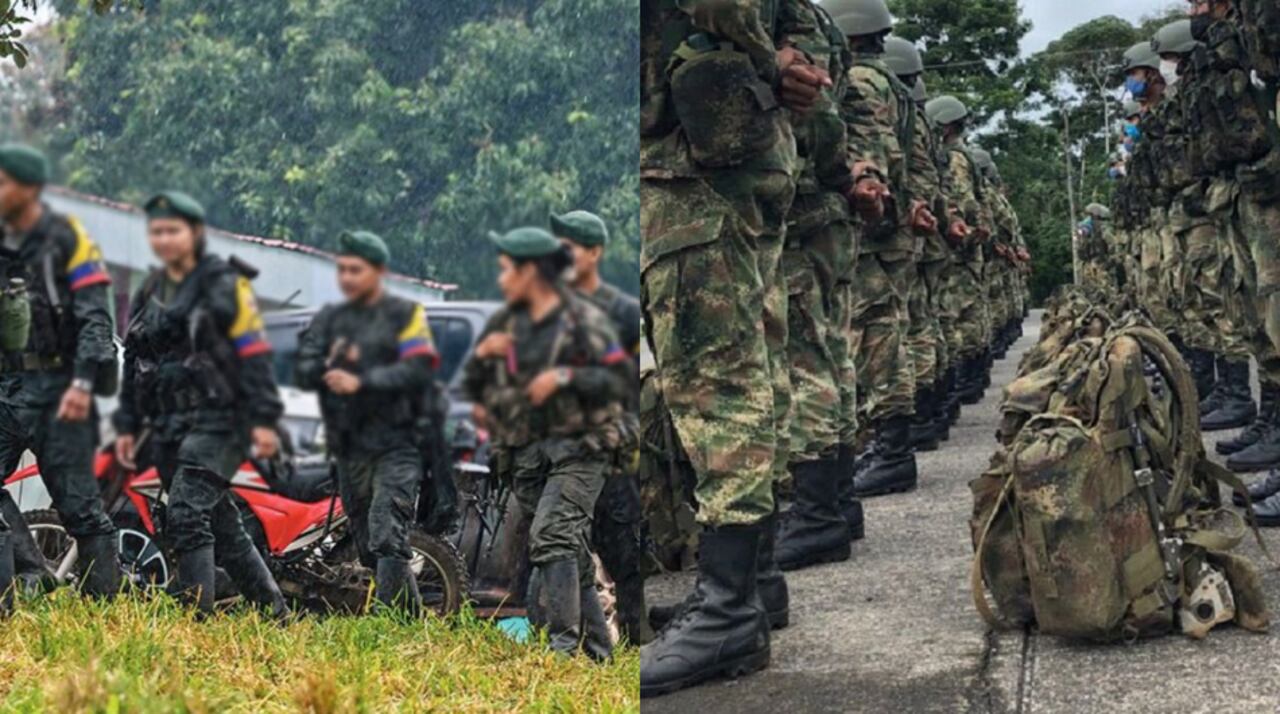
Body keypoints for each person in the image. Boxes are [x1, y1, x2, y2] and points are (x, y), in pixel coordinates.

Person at [638, 0, 833, 696]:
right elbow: (808, 27)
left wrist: (761, 55)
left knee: (712, 380)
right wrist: (786, 62)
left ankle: (727, 612)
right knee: (751, 366)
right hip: (731, 147)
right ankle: (753, 585)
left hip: (696, 166)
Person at [113, 190, 285, 616]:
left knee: (187, 513)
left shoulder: (224, 285)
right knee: (222, 523)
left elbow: (253, 353)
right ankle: (274, 610)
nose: (164, 239)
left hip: (221, 418)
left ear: (194, 233)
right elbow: (134, 358)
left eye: (173, 230)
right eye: (157, 232)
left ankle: (194, 617)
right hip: (170, 421)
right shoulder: (150, 288)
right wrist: (127, 424)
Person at [462, 226, 629, 660]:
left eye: (508, 271)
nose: (501, 281)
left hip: (579, 449)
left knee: (553, 537)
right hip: (531, 456)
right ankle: (598, 652)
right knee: (569, 550)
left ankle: (563, 649)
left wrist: (561, 376)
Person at [294, 230, 439, 615]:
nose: (347, 278)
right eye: (342, 270)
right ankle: (410, 617)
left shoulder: (406, 316)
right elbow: (305, 367)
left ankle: (390, 623)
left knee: (386, 529)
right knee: (364, 538)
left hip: (397, 443)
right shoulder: (329, 318)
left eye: (355, 270)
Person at [0, 143, 119, 599]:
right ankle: (31, 575)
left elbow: (95, 318)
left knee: (83, 512)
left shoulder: (68, 239)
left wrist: (85, 384)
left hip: (60, 392)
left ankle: (103, 609)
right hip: (9, 389)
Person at [831, 0, 922, 499]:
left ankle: (892, 452)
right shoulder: (893, 84)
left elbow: (876, 149)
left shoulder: (863, 81)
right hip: (891, 224)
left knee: (874, 335)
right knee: (885, 329)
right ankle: (889, 448)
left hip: (874, 227)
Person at [550, 209, 650, 643]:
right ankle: (586, 641)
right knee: (564, 550)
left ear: (594, 252)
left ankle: (635, 638)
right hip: (566, 456)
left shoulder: (622, 311)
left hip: (613, 454)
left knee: (626, 554)